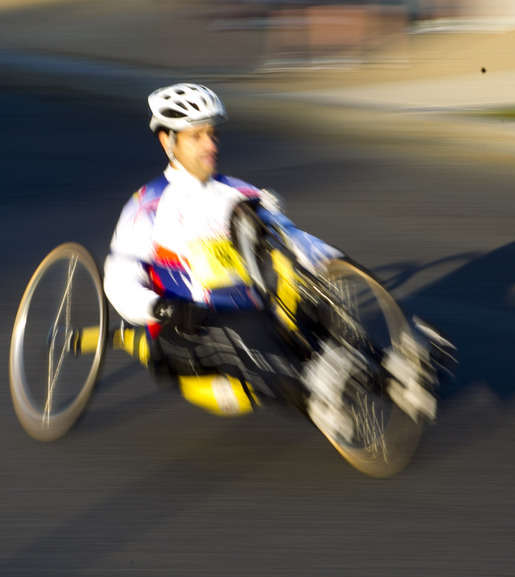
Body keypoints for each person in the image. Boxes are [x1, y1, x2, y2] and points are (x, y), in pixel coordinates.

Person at [103, 82, 354, 436]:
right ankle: (319, 396)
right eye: (197, 136)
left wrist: (330, 261)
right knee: (246, 334)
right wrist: (159, 309)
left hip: (254, 315)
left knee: (312, 307)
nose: (211, 145)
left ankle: (389, 372)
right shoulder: (147, 205)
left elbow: (290, 234)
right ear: (168, 141)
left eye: (212, 134)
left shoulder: (238, 192)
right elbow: (119, 277)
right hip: (188, 330)